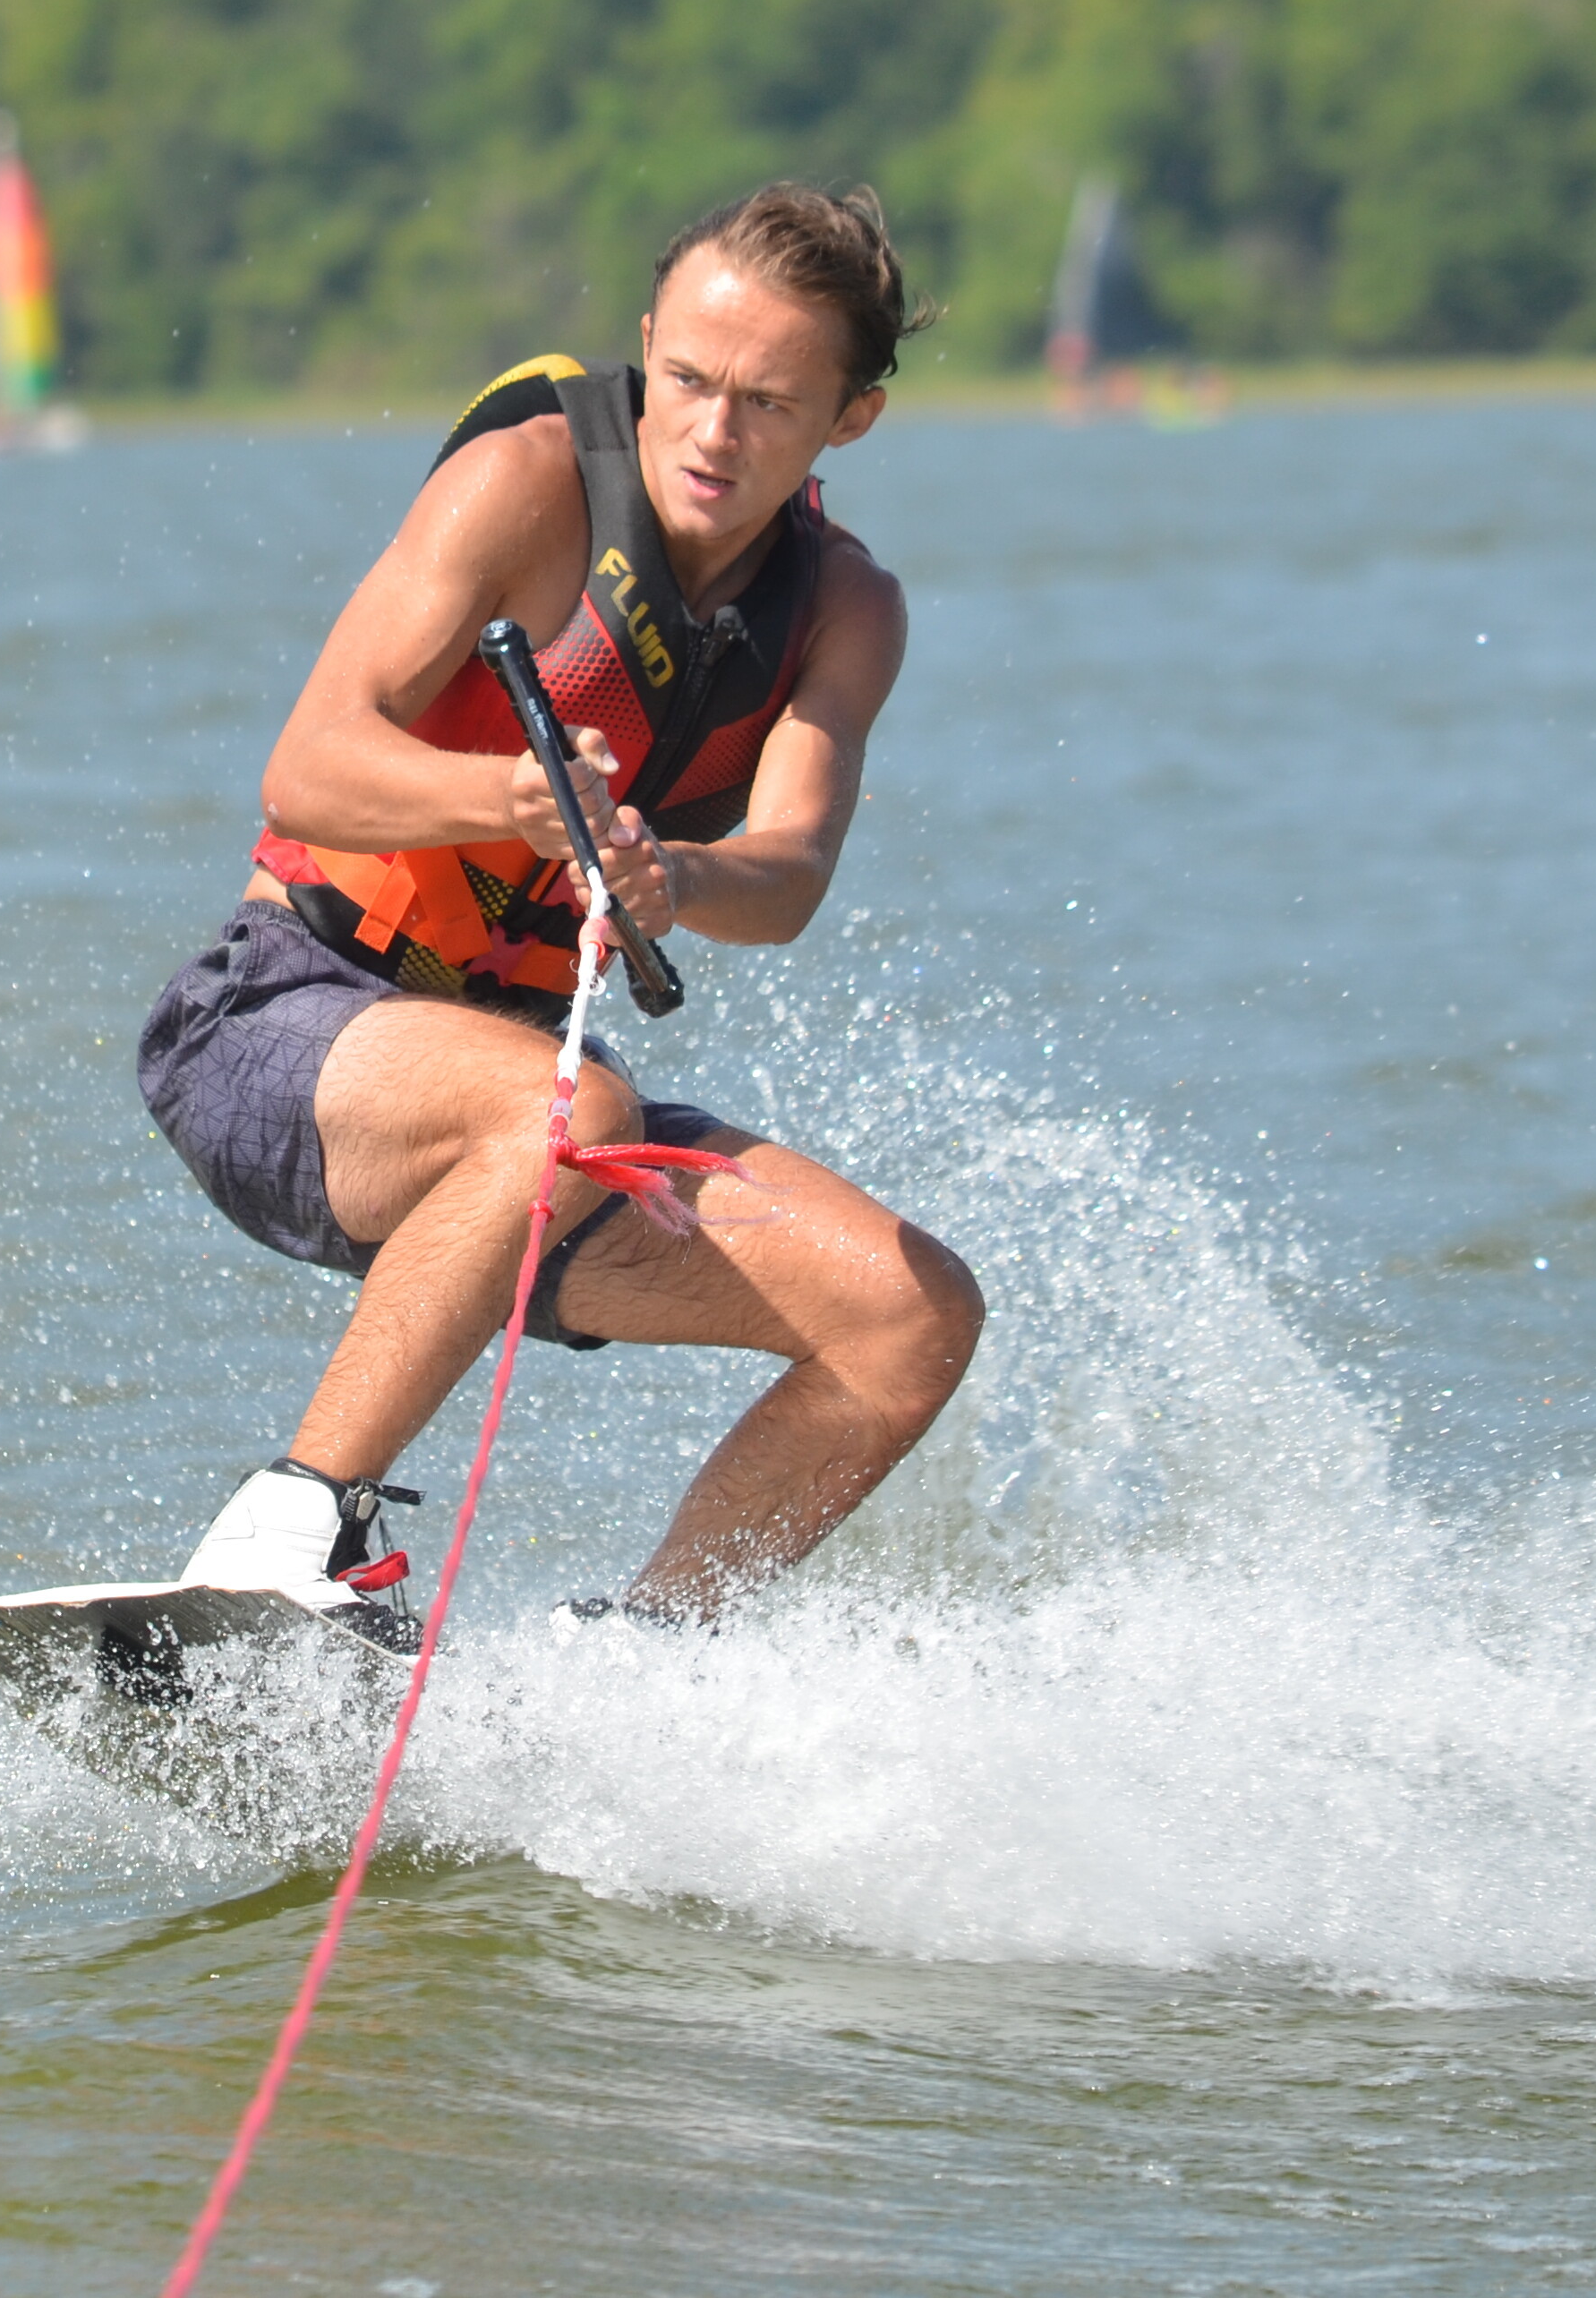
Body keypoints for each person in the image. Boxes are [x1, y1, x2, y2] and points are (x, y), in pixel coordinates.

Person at [134, 182, 986, 1628]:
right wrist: (511, 800)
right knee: (572, 1104)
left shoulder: (847, 609)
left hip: (526, 1130)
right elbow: (309, 763)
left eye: (769, 404)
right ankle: (286, 1531)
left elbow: (788, 875)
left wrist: (680, 875)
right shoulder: (526, 485)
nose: (713, 433)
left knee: (911, 1316)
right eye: (690, 380)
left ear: (852, 419)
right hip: (278, 1027)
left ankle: (643, 1665)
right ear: (647, 344)